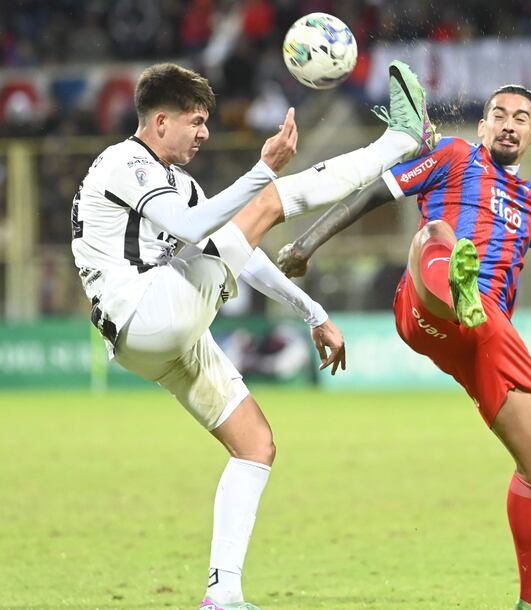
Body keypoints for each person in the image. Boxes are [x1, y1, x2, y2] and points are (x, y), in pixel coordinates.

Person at [272, 84, 531, 609]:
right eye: (499, 115)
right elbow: (376, 192)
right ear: (483, 127)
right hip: (426, 304)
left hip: (484, 335)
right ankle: (456, 283)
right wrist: (307, 245)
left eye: (521, 118)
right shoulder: (452, 156)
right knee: (440, 235)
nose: (509, 123)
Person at [70, 61, 437, 610]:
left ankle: (225, 596)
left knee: (255, 445)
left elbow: (237, 254)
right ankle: (400, 141)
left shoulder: (178, 184)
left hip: (155, 338)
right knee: (267, 201)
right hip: (148, 312)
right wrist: (262, 172)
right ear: (160, 121)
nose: (204, 133)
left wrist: (313, 312)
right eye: (195, 122)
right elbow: (201, 230)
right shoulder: (124, 161)